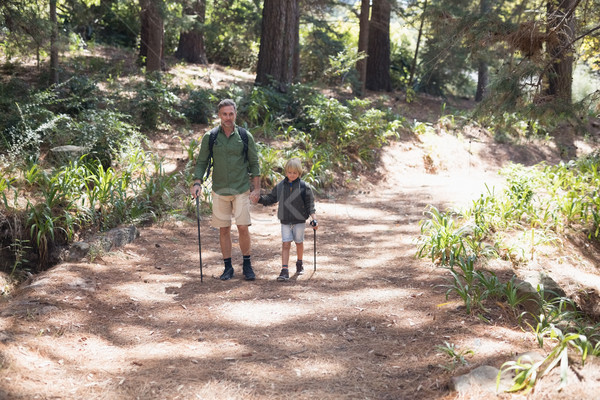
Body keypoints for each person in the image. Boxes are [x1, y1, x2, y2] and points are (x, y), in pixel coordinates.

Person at [190, 99, 261, 281]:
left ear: (235, 114)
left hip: (241, 189)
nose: (228, 117)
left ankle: (247, 264)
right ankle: (228, 267)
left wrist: (257, 189)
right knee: (224, 229)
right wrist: (197, 182)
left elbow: (254, 163)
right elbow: (202, 162)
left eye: (231, 114)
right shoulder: (211, 137)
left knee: (243, 227)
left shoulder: (245, 136)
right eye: (224, 114)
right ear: (219, 115)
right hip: (220, 190)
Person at [258, 158, 318, 281]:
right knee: (286, 243)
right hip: (285, 220)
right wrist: (259, 199)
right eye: (289, 172)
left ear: (299, 173)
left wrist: (314, 219)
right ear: (286, 172)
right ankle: (284, 270)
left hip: (299, 220)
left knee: (299, 242)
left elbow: (310, 204)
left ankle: (299, 263)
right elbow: (271, 198)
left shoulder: (304, 187)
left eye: (294, 173)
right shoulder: (280, 186)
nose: (292, 175)